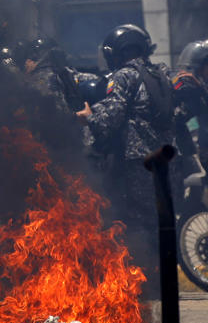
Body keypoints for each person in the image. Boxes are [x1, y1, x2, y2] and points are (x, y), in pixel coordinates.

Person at [76, 24, 174, 296]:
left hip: (137, 159)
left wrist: (88, 117)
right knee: (160, 220)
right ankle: (163, 280)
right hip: (165, 160)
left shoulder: (125, 76)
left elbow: (111, 119)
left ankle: (146, 284)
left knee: (136, 220)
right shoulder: (163, 72)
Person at [172, 39, 208, 194]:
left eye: (199, 69)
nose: (196, 73)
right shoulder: (198, 90)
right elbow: (182, 115)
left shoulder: (202, 89)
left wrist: (200, 89)